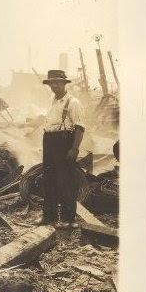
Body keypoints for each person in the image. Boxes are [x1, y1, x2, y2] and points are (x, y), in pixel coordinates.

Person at [40, 70, 85, 228]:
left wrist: (74, 149)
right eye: (52, 83)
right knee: (49, 179)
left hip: (64, 141)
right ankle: (49, 217)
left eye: (58, 82)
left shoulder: (73, 102)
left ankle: (68, 219)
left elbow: (80, 128)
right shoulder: (51, 100)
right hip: (49, 141)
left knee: (65, 180)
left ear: (64, 84)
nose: (54, 85)